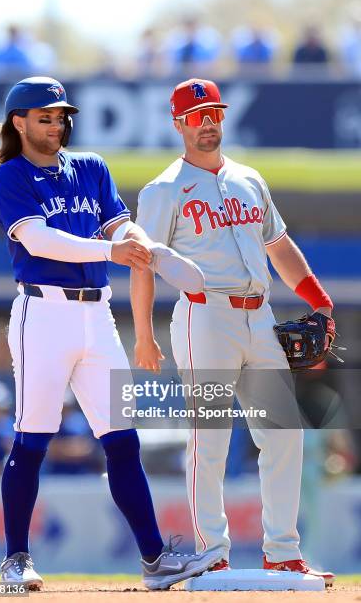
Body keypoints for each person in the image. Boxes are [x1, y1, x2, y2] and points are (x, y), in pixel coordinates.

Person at [0, 76, 221, 591]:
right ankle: (15, 559)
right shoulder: (9, 177)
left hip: (98, 316)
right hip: (42, 316)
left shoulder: (90, 167)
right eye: (44, 116)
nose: (55, 124)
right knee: (32, 440)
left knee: (122, 441)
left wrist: (141, 245)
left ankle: (155, 560)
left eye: (60, 116)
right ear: (18, 123)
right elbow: (40, 240)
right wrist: (111, 252)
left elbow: (118, 224)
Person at [132, 78, 335, 587]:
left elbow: (279, 245)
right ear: (178, 123)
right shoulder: (162, 190)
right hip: (205, 317)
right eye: (197, 115)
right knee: (211, 438)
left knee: (284, 434)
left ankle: (283, 552)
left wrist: (320, 301)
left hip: (259, 316)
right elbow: (142, 266)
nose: (208, 123)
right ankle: (211, 554)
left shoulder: (249, 178)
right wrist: (143, 334)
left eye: (214, 113)